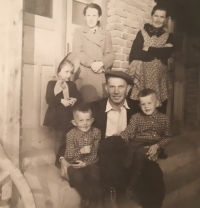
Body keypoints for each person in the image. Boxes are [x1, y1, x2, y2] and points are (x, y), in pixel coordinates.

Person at [58, 71, 140, 208]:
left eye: (120, 87)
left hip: (127, 154)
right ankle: (109, 194)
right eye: (112, 87)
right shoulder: (94, 108)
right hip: (102, 155)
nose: (116, 91)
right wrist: (62, 158)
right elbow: (71, 131)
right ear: (106, 88)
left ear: (128, 89)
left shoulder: (137, 108)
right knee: (110, 145)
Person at [120, 88, 171, 208]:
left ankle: (132, 187)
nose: (146, 106)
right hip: (137, 144)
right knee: (138, 155)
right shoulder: (136, 117)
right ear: (139, 105)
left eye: (149, 103)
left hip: (153, 145)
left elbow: (168, 137)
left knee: (144, 160)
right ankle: (132, 186)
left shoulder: (164, 119)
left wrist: (157, 145)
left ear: (157, 103)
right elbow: (128, 132)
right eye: (143, 104)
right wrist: (120, 137)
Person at [128, 4, 174, 114]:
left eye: (162, 17)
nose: (158, 20)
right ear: (152, 16)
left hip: (159, 79)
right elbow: (134, 54)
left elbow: (166, 54)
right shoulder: (142, 33)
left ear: (166, 19)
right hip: (141, 77)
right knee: (138, 107)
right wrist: (157, 52)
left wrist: (147, 48)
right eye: (156, 16)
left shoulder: (169, 36)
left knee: (159, 109)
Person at [72, 3, 115, 103]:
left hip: (99, 74)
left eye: (94, 15)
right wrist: (93, 63)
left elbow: (110, 55)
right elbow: (78, 52)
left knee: (98, 107)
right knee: (83, 109)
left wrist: (100, 64)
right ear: (84, 17)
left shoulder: (106, 34)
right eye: (88, 15)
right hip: (84, 75)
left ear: (99, 17)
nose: (91, 19)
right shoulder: (79, 31)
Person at [64, 103, 101, 208]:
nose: (85, 123)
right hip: (75, 165)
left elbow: (95, 153)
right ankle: (85, 197)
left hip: (90, 163)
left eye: (88, 120)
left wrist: (85, 164)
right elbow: (69, 155)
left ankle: (94, 201)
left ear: (92, 120)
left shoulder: (96, 132)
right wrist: (81, 151)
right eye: (81, 120)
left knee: (94, 173)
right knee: (77, 177)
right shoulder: (70, 135)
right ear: (74, 122)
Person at [43, 53, 82, 154]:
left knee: (69, 137)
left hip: (69, 115)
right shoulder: (52, 83)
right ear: (58, 71)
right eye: (66, 72)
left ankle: (68, 157)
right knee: (59, 138)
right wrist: (61, 100)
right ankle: (58, 160)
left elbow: (79, 96)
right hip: (57, 116)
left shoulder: (72, 84)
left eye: (71, 72)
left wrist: (74, 99)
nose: (69, 75)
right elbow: (49, 99)